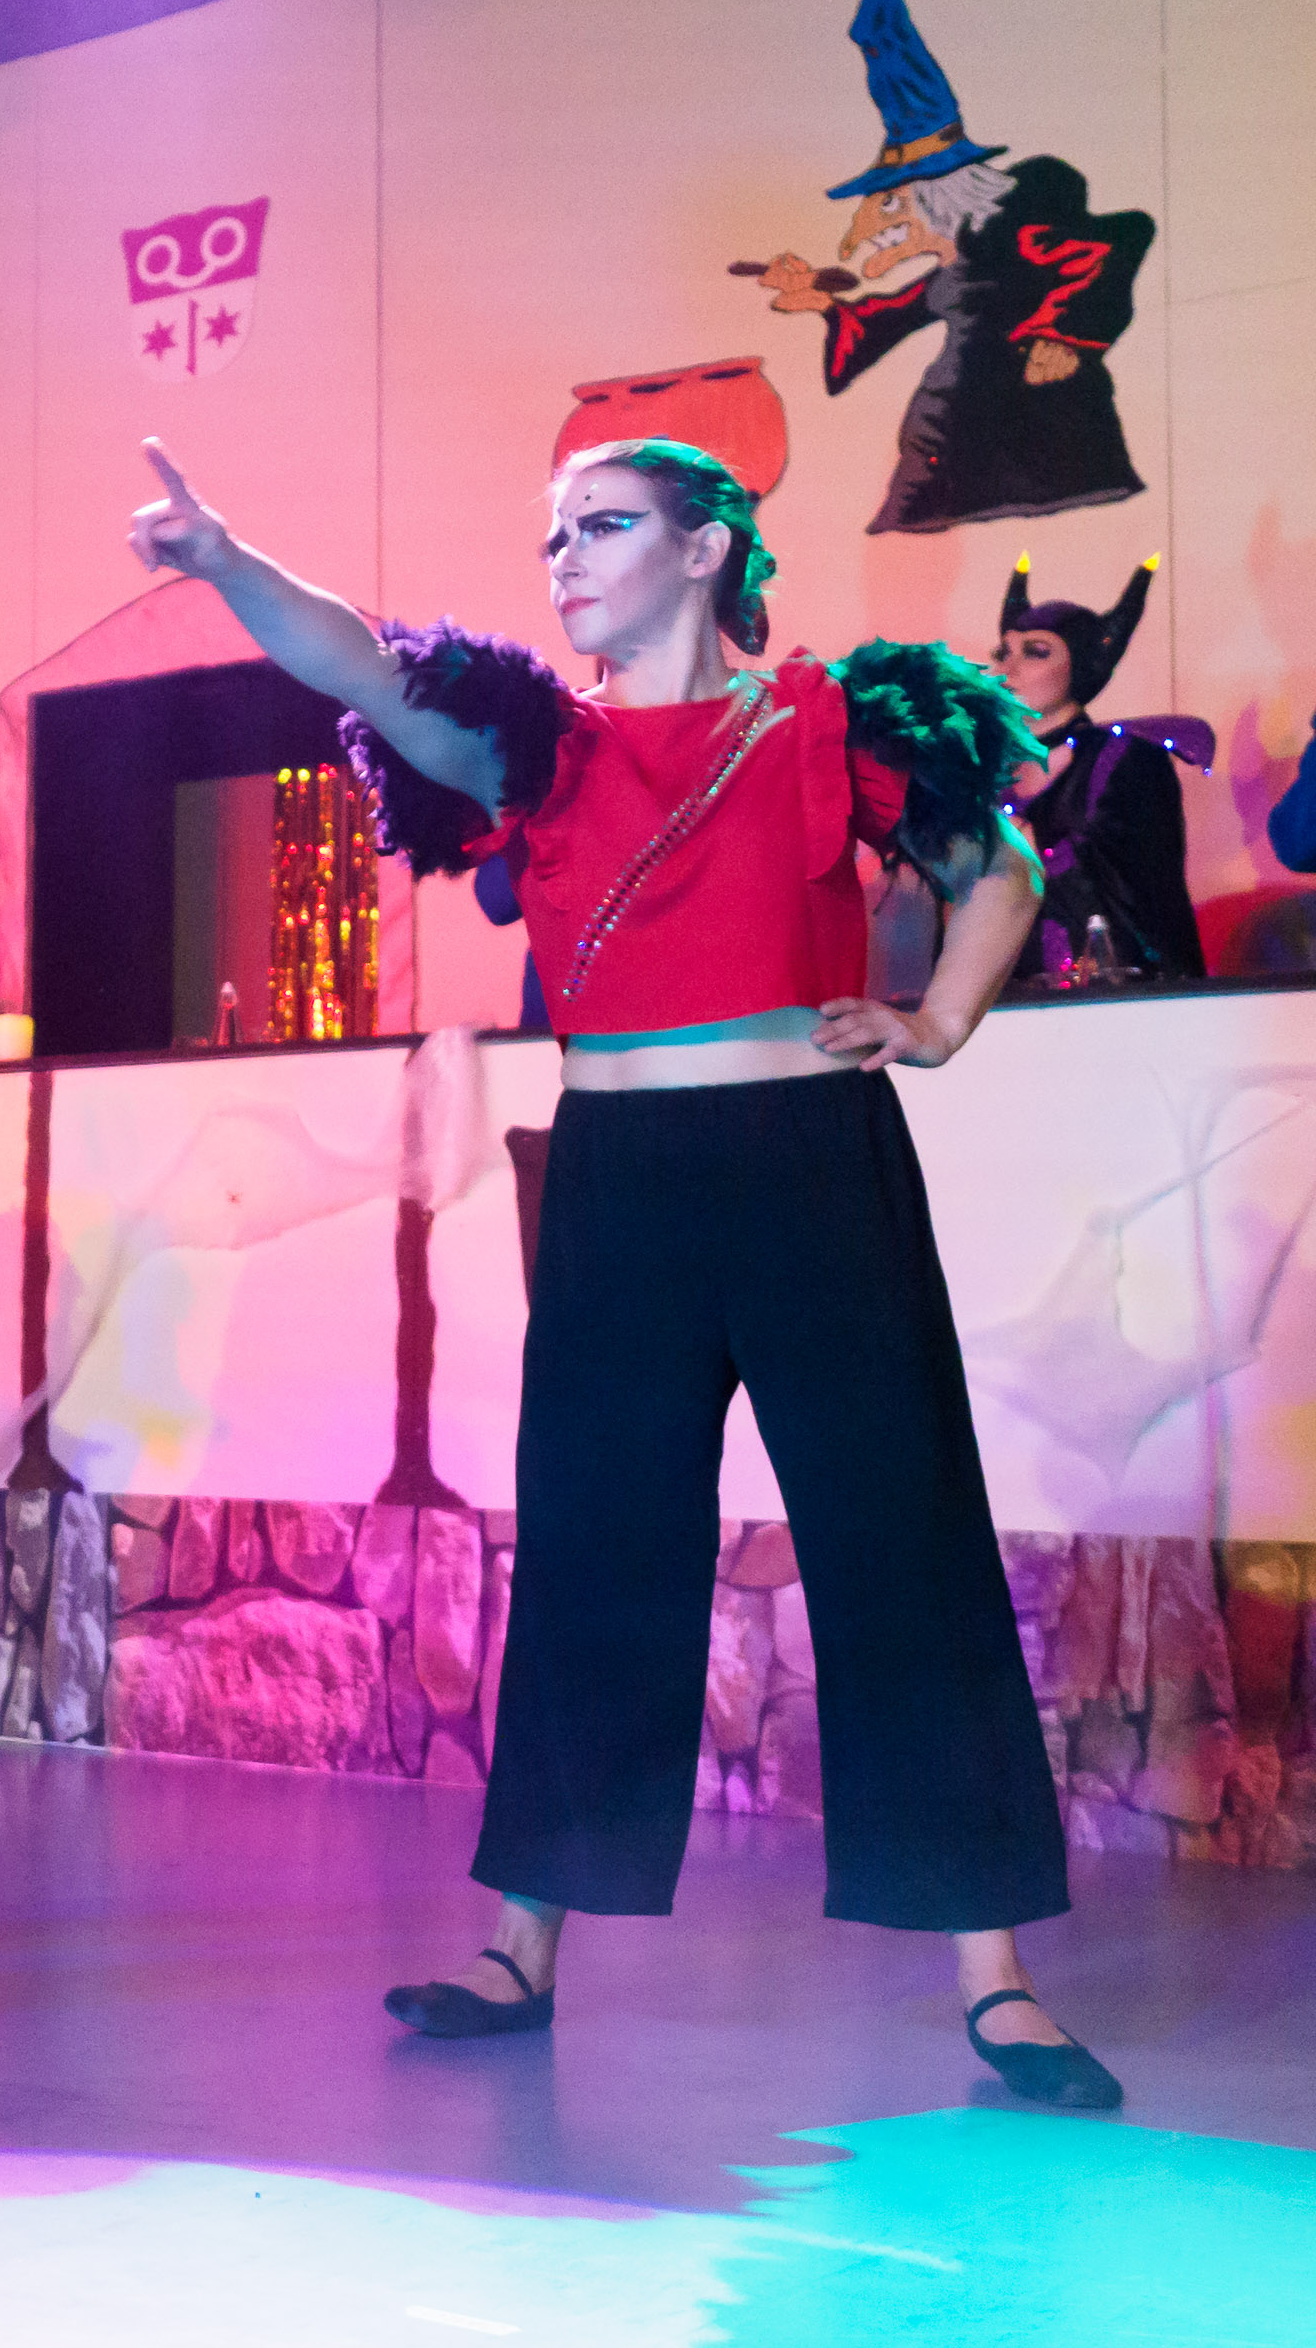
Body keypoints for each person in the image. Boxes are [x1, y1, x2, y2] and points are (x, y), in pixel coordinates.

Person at [129, 432, 1119, 2110]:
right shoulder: (542, 747)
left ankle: (997, 1980)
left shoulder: (831, 719)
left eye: (602, 526)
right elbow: (357, 660)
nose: (566, 559)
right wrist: (226, 563)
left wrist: (942, 1020)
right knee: (596, 1547)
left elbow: (1004, 867)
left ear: (709, 547)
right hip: (616, 1179)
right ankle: (521, 1945)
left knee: (902, 1544)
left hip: (813, 1164)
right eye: (554, 536)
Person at [994, 556, 1199, 987]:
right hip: (1003, 1000)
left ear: (1082, 666)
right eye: (1004, 652)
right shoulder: (986, 773)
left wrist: (1040, 851)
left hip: (1115, 994)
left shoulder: (1126, 757)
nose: (1006, 669)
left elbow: (1153, 894)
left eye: (1036, 652)